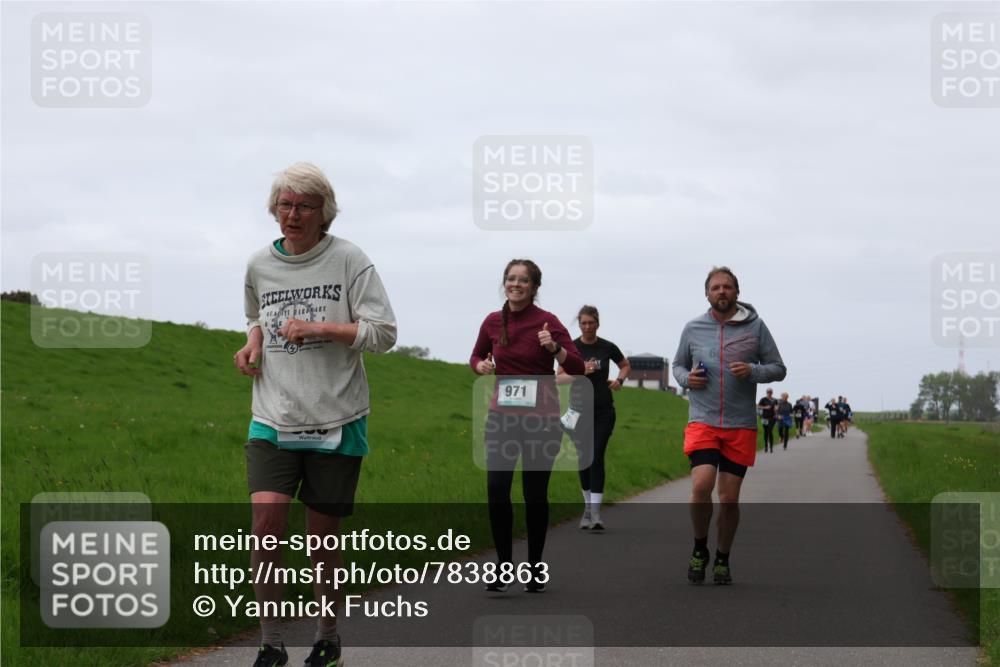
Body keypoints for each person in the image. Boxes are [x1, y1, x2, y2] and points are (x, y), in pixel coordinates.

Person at [234, 162, 397, 667]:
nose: (293, 214)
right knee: (266, 524)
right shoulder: (260, 264)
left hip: (336, 419)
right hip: (272, 416)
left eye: (304, 206)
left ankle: (327, 636)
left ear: (324, 211)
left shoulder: (350, 260)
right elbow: (255, 315)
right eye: (284, 204)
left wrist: (324, 329)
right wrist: (252, 343)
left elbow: (385, 333)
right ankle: (271, 643)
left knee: (322, 541)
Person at [470, 259, 584, 593]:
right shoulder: (492, 322)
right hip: (502, 418)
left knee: (534, 494)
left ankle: (534, 567)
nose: (515, 284)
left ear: (534, 287)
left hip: (541, 422)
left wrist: (556, 348)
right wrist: (481, 366)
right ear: (504, 283)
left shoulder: (547, 322)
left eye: (523, 280)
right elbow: (475, 356)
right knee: (496, 491)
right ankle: (503, 565)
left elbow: (577, 364)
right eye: (510, 279)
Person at [672, 266, 785, 585]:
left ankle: (722, 557)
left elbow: (778, 368)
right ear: (707, 294)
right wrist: (686, 380)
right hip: (703, 420)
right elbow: (678, 364)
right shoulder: (693, 327)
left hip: (740, 424)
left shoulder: (756, 328)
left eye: (727, 287)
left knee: (729, 497)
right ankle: (699, 548)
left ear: (737, 292)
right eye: (716, 287)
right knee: (701, 485)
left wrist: (753, 371)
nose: (722, 291)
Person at [556, 305, 631, 530]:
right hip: (578, 412)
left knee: (596, 456)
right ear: (579, 325)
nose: (587, 327)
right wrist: (580, 371)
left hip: (603, 411)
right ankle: (587, 508)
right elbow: (558, 378)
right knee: (583, 458)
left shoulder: (607, 347)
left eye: (591, 323)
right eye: (583, 323)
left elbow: (625, 365)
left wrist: (619, 381)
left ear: (597, 323)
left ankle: (596, 514)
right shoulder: (571, 348)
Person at [757, 388, 778, 453]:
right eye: (768, 392)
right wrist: (765, 407)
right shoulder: (763, 399)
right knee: (766, 432)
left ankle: (771, 447)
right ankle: (766, 445)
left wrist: (776, 409)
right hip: (765, 418)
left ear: (772, 392)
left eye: (770, 392)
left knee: (770, 431)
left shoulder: (775, 400)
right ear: (766, 392)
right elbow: (758, 406)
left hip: (772, 418)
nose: (769, 393)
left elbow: (777, 407)